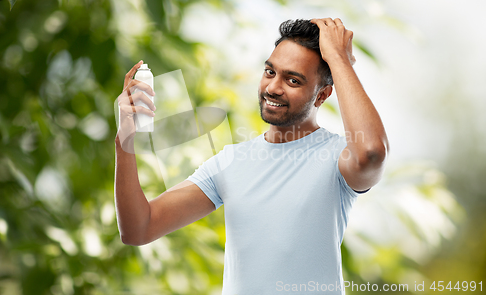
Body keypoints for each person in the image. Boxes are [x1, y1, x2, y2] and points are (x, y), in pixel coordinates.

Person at [114, 18, 389, 294]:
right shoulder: (230, 162)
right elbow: (139, 228)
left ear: (322, 95)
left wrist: (339, 59)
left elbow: (371, 153)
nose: (273, 88)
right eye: (270, 72)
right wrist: (124, 140)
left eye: (293, 80)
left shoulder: (337, 158)